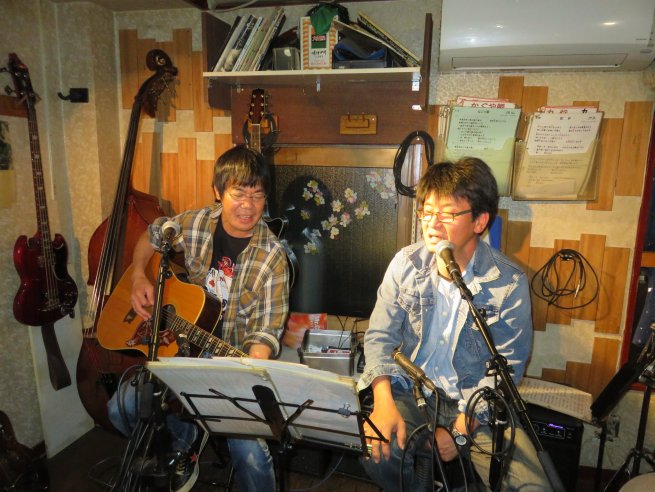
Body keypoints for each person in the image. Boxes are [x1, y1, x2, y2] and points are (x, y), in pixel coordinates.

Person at [358, 157, 550, 491]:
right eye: (427, 211)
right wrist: (383, 401)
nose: (432, 224)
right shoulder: (405, 264)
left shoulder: (508, 282)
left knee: (532, 487)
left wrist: (463, 427)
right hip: (412, 391)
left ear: (479, 221)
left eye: (447, 214)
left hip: (477, 402)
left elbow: (507, 368)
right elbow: (379, 337)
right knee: (376, 450)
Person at [107, 144, 289, 492]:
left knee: (251, 455)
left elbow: (267, 330)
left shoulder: (272, 257)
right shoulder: (195, 223)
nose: (248, 205)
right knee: (121, 409)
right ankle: (183, 442)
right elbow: (151, 235)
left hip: (228, 363)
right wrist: (139, 276)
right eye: (238, 193)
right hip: (176, 350)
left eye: (257, 195)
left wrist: (254, 364)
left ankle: (189, 441)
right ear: (218, 192)